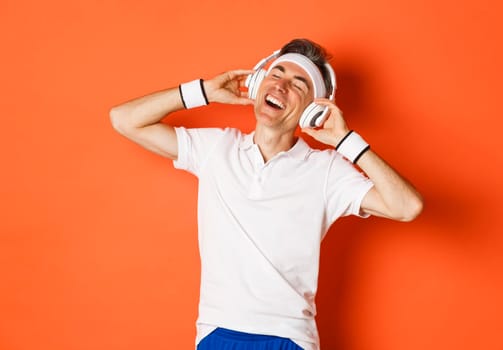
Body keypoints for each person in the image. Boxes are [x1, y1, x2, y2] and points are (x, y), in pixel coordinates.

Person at [110, 38, 423, 350]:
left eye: (298, 84)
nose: (281, 86)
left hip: (289, 338)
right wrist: (203, 91)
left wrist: (345, 140)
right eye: (275, 74)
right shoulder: (216, 148)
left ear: (312, 110)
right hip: (218, 332)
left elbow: (407, 206)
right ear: (259, 82)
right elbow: (124, 120)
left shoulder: (326, 171)